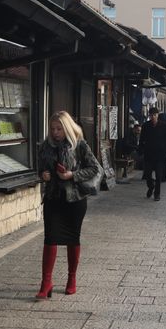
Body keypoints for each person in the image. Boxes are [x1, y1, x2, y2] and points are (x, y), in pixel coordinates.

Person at [35, 111, 101, 298]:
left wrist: (72, 175)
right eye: (53, 129)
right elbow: (39, 167)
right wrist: (43, 175)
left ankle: (72, 278)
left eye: (59, 129)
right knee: (50, 239)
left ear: (67, 128)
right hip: (53, 198)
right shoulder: (45, 146)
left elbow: (95, 168)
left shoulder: (79, 145)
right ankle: (46, 282)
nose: (55, 132)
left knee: (72, 239)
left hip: (74, 199)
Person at [139, 107, 166, 201]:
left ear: (158, 115)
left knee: (159, 176)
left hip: (160, 155)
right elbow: (142, 139)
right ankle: (151, 186)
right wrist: (140, 150)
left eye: (155, 115)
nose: (153, 117)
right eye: (151, 115)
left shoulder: (164, 126)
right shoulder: (145, 126)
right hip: (149, 154)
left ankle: (157, 194)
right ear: (149, 116)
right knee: (148, 175)